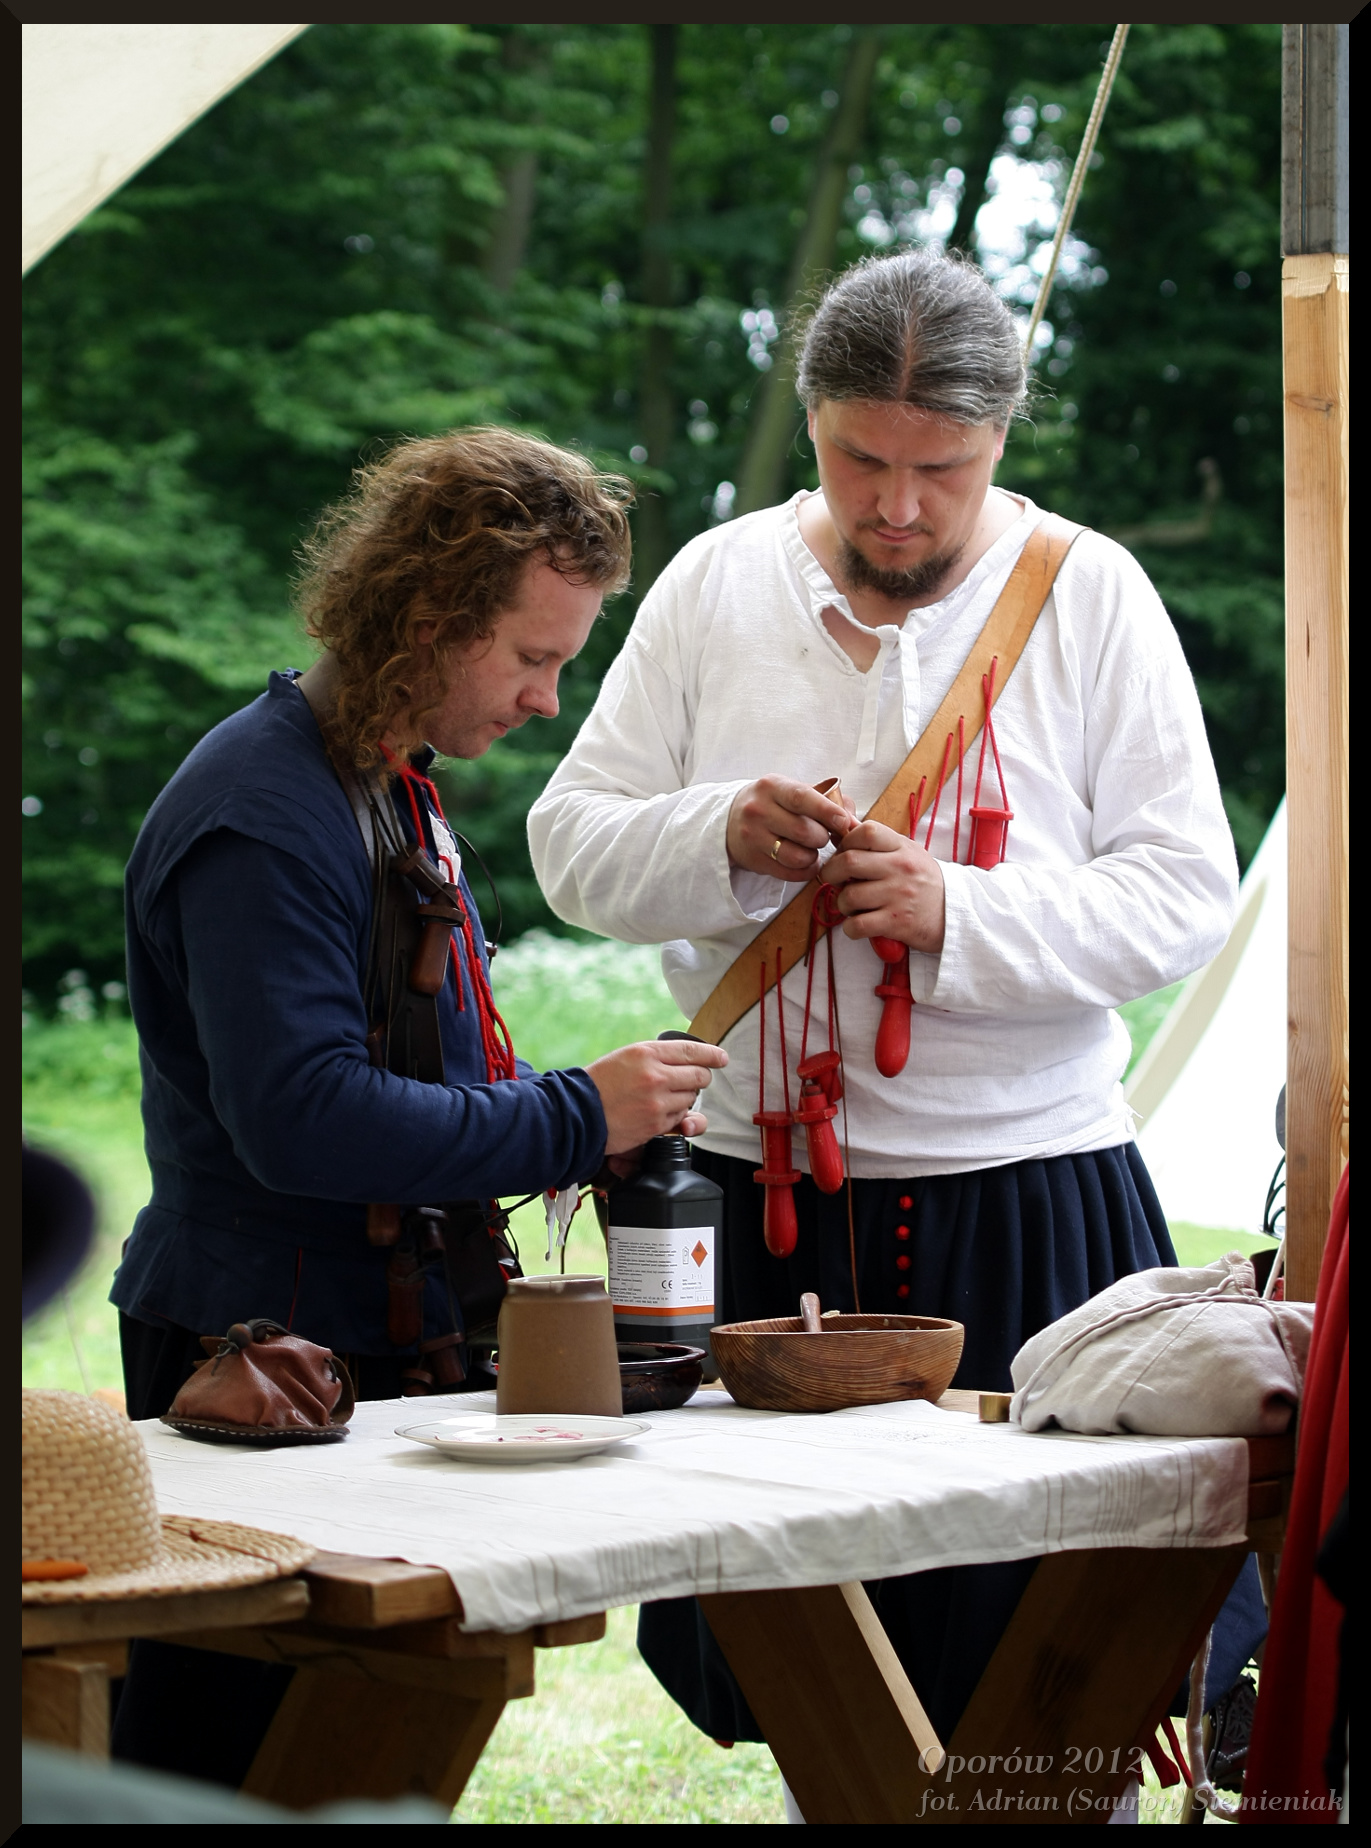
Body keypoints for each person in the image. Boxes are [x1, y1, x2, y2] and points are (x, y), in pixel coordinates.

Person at [528, 250, 1262, 1752]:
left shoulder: (1091, 590)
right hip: (759, 1194)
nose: (901, 507)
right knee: (810, 1660)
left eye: (944, 469)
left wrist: (959, 913)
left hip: (1030, 1185)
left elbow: (1189, 891)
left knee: (1067, 1656)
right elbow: (568, 844)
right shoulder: (717, 580)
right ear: (813, 420)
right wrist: (718, 835)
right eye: (862, 460)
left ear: (1002, 439)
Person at [108, 424, 726, 1784]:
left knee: (362, 1765)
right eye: (532, 658)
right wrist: (574, 1114)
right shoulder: (264, 812)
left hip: (367, 1343)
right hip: (254, 1360)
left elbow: (415, 1070)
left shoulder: (384, 786)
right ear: (431, 620)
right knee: (211, 1774)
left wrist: (593, 1122)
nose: (549, 701)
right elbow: (304, 1119)